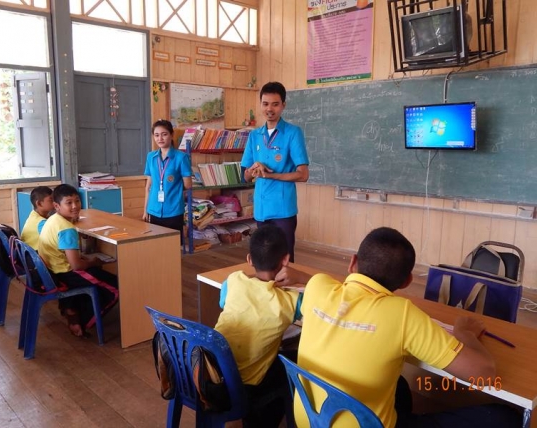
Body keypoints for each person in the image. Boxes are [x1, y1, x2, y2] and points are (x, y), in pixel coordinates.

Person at [296, 227, 521, 428]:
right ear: (407, 281)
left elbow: (338, 310)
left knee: (400, 385)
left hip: (309, 419)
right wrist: (466, 334)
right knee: (504, 417)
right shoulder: (402, 315)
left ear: (352, 262)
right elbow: (485, 373)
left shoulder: (317, 285)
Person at [214, 224, 311, 427]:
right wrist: (302, 277)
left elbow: (224, 304)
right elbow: (324, 296)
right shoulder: (291, 301)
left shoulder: (232, 281)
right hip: (246, 386)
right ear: (286, 260)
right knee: (293, 364)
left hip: (215, 375)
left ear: (249, 259)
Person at [241, 81, 309, 263]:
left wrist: (270, 175)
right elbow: (245, 176)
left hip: (283, 209)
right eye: (265, 104)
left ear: (283, 105)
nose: (269, 109)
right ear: (260, 104)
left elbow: (303, 174)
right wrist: (254, 169)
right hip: (261, 209)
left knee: (285, 259)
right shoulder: (254, 135)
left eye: (275, 104)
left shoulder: (293, 133)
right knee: (264, 259)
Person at [38, 184, 119, 338]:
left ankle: (70, 308)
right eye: (69, 203)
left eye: (77, 201)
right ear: (57, 206)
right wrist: (93, 262)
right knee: (115, 287)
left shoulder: (53, 219)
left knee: (99, 275)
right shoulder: (67, 229)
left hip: (51, 270)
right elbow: (76, 265)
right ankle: (81, 322)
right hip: (65, 273)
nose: (75, 206)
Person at [142, 119, 192, 236]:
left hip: (174, 211)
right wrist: (145, 210)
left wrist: (173, 187)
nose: (160, 138)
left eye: (164, 134)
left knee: (174, 244)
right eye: (156, 135)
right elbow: (148, 187)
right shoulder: (151, 157)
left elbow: (188, 185)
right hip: (153, 210)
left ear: (171, 135)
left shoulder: (181, 157)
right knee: (156, 243)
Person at [20, 186, 54, 250]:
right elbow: (57, 241)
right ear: (39, 203)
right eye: (51, 200)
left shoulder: (33, 214)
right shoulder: (41, 223)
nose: (55, 202)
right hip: (36, 254)